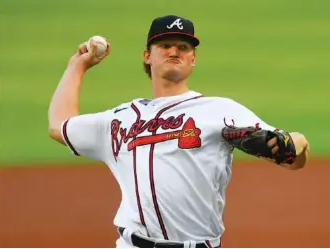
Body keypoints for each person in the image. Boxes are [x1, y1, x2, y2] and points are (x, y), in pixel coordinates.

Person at [48, 15, 310, 248]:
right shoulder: (119, 120)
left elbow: (291, 156)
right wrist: (77, 66)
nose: (174, 51)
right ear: (147, 55)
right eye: (164, 45)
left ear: (193, 59)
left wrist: (295, 142)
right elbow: (59, 126)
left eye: (183, 47)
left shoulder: (219, 110)